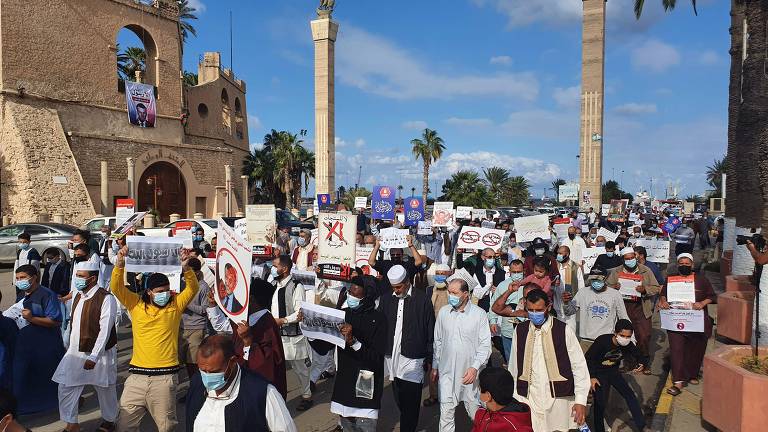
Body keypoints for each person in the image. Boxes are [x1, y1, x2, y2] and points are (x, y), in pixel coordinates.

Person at [111, 245, 197, 432]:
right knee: (124, 425)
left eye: (167, 290)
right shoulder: (135, 304)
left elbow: (193, 288)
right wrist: (119, 265)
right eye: (159, 291)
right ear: (149, 292)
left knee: (166, 427)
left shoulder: (175, 305)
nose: (164, 294)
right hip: (136, 379)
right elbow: (115, 288)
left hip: (165, 379)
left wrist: (186, 269)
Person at [508, 288, 590, 432]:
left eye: (539, 310)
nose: (534, 314)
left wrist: (581, 400)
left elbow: (579, 367)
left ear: (548, 307)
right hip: (528, 396)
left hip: (558, 399)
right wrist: (513, 397)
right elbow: (513, 367)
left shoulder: (563, 330)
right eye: (531, 310)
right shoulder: (520, 330)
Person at [52, 260, 118, 432]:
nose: (77, 279)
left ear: (93, 278)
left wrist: (94, 356)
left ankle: (109, 420)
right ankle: (71, 423)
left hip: (98, 354)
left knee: (105, 388)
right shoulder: (78, 295)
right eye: (77, 276)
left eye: (81, 276)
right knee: (65, 385)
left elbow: (105, 330)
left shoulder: (106, 298)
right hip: (75, 352)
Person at [185, 335, 296, 432]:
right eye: (203, 371)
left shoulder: (262, 393)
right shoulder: (197, 383)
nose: (207, 377)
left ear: (232, 362)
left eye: (214, 372)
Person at [207, 278, 288, 399]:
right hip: (239, 384)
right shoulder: (243, 318)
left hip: (259, 392)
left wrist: (248, 342)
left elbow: (266, 365)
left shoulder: (267, 324)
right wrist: (213, 305)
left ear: (251, 299)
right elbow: (221, 326)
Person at [378, 265, 435, 432]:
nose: (396, 291)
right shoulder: (386, 299)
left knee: (411, 398)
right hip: (392, 356)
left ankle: (408, 427)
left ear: (407, 282)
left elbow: (429, 328)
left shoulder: (422, 299)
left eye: (398, 287)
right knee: (399, 396)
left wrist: (430, 357)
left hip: (414, 357)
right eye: (393, 287)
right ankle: (408, 420)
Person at [432, 279, 492, 432]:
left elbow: (485, 345)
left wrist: (475, 367)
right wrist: (435, 367)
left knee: (476, 414)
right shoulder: (444, 312)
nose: (450, 295)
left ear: (465, 294)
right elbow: (438, 341)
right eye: (449, 292)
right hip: (447, 374)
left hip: (469, 374)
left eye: (454, 293)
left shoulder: (479, 315)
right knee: (446, 415)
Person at [329, 276, 387, 432]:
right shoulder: (342, 315)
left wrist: (353, 341)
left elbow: (376, 358)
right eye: (350, 289)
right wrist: (308, 325)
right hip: (345, 383)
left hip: (366, 382)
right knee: (347, 427)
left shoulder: (379, 319)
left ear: (367, 294)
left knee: (365, 426)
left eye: (355, 291)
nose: (350, 293)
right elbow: (324, 345)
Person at [10, 264, 65, 415]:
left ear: (34, 278)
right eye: (17, 278)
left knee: (49, 376)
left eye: (22, 278)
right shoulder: (22, 295)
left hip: (46, 344)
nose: (19, 281)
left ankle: (60, 404)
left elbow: (55, 321)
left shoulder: (47, 295)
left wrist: (32, 318)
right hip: (26, 343)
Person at [658, 253, 715, 396]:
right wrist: (663, 301)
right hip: (675, 321)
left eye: (687, 263)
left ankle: (692, 374)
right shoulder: (671, 280)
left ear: (692, 265)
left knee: (695, 349)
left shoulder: (702, 280)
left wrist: (702, 303)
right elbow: (663, 294)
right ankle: (678, 380)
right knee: (676, 350)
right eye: (681, 264)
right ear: (677, 265)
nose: (684, 266)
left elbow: (712, 296)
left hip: (696, 321)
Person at [585, 319, 648, 432]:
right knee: (600, 403)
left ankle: (641, 426)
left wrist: (642, 363)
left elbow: (640, 355)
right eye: (622, 335)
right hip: (599, 375)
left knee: (630, 396)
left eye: (628, 336)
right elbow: (589, 358)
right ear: (615, 333)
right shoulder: (602, 341)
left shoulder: (628, 344)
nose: (625, 339)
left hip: (613, 373)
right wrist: (592, 377)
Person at [606, 247, 660, 373]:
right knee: (626, 337)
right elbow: (607, 286)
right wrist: (614, 287)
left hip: (641, 307)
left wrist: (645, 289)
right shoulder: (616, 271)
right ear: (623, 259)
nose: (630, 260)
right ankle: (629, 362)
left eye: (632, 258)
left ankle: (644, 363)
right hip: (624, 307)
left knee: (644, 335)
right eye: (627, 259)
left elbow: (656, 287)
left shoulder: (645, 270)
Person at [270, 254, 313, 410]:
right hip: (277, 334)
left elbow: (299, 313)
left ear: (285, 268)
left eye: (275, 266)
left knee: (300, 368)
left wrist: (282, 321)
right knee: (278, 368)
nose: (272, 269)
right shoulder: (276, 284)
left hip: (293, 335)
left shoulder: (296, 286)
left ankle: (307, 396)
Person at [563, 267, 629, 346]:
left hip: (607, 340)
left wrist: (631, 340)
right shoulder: (583, 292)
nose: (596, 282)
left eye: (598, 279)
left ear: (605, 279)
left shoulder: (615, 294)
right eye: (593, 279)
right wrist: (566, 303)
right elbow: (569, 312)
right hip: (586, 340)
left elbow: (623, 317)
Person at [471, 367, 533, 432]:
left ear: (488, 396)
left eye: (480, 390)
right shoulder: (481, 412)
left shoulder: (516, 427)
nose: (478, 394)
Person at [487, 259, 526, 362]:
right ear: (509, 271)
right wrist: (493, 321)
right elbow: (494, 303)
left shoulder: (529, 284)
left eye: (519, 272)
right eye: (514, 272)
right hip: (508, 330)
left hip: (526, 330)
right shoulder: (503, 285)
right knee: (511, 361)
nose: (517, 274)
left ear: (524, 271)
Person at [179, 258, 211, 379]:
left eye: (189, 271)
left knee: (194, 363)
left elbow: (205, 310)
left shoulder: (203, 287)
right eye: (185, 271)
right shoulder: (182, 284)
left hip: (197, 329)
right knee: (184, 362)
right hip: (182, 327)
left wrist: (186, 304)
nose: (186, 274)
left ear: (197, 272)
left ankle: (196, 390)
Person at [552, 245, 584, 326]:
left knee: (571, 330)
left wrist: (577, 304)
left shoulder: (575, 267)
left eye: (561, 253)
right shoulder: (554, 266)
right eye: (558, 253)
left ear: (567, 254)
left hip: (570, 306)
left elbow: (581, 287)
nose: (558, 255)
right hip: (557, 305)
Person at [466, 248, 506, 312]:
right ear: (483, 257)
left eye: (494, 257)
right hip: (482, 310)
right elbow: (477, 294)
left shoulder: (501, 273)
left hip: (498, 311)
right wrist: (488, 286)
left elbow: (506, 292)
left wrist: (498, 291)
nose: (492, 259)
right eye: (490, 257)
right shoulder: (477, 273)